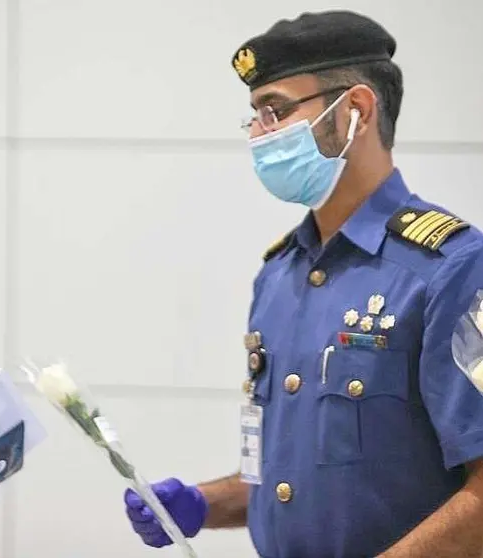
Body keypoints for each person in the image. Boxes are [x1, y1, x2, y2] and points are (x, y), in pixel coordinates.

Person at [123, 10, 483, 558]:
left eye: (276, 111)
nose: (260, 135)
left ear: (356, 110)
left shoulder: (450, 266)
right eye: (254, 117)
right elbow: (288, 478)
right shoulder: (279, 275)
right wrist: (202, 502)